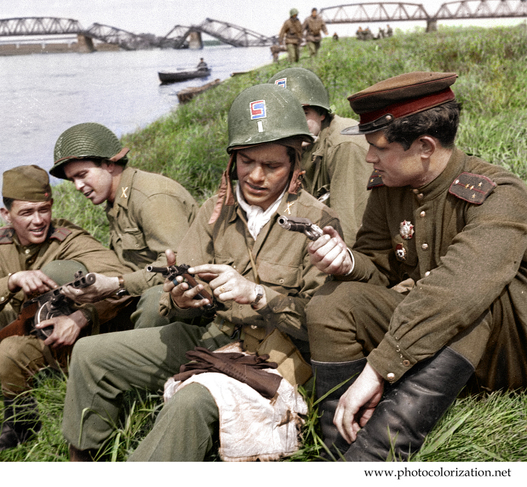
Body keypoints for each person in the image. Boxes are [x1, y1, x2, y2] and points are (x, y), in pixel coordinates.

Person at [62, 83, 341, 462]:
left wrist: (259, 295)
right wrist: (181, 299)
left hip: (275, 353)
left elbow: (322, 325)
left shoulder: (317, 222)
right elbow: (174, 298)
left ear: (295, 164)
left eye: (272, 166)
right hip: (212, 334)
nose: (256, 176)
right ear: (232, 161)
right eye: (246, 163)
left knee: (192, 401)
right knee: (90, 355)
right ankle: (86, 458)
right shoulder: (214, 212)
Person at [305, 71, 527, 461]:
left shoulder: (499, 195)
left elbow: (457, 294)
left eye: (378, 147)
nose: (369, 157)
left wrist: (378, 370)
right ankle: (339, 447)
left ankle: (374, 458)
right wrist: (348, 261)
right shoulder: (390, 187)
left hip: (506, 355)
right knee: (331, 303)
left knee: (468, 301)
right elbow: (379, 269)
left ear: (424, 146)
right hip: (438, 354)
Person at [0, 165, 132, 451]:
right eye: (26, 213)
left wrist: (82, 316)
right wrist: (13, 280)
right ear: (6, 215)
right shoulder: (0, 244)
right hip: (23, 319)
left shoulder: (70, 241)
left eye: (44, 210)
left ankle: (21, 423)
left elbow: (121, 283)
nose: (38, 221)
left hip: (64, 331)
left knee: (9, 351)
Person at [50, 122, 198, 328]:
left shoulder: (151, 198)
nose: (77, 186)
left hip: (185, 297)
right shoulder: (117, 196)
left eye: (82, 175)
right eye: (72, 180)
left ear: (109, 164)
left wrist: (116, 284)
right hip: (141, 285)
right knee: (61, 272)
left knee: (152, 303)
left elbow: (178, 267)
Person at [268, 67, 372, 246]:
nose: (294, 125)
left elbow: (349, 229)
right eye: (284, 117)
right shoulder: (298, 145)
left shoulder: (345, 144)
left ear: (322, 113)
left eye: (303, 113)